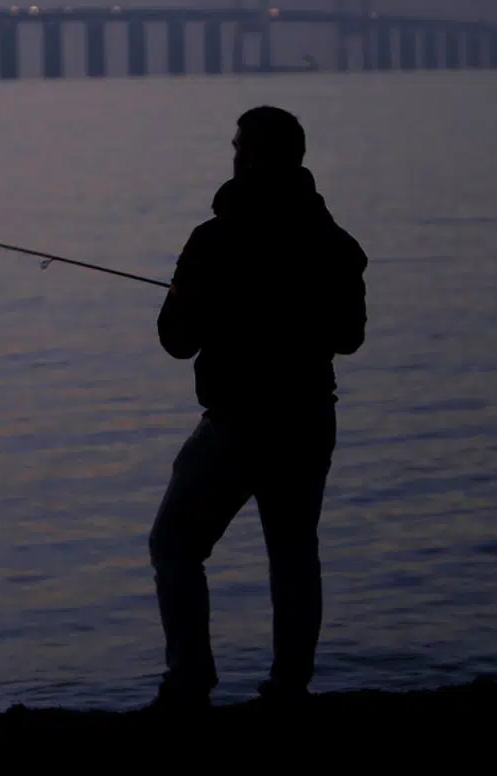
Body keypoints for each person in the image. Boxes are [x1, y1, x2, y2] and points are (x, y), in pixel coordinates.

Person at [148, 106, 368, 709]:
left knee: (174, 545)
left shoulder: (214, 240)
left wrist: (193, 297)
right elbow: (349, 336)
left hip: (237, 422)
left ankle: (189, 683)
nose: (235, 156)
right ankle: (290, 687)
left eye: (241, 147)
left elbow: (176, 340)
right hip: (308, 418)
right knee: (294, 553)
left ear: (256, 156)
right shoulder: (336, 243)